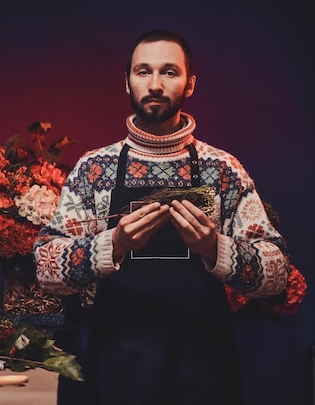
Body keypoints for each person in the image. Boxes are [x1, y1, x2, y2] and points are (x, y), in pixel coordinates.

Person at [34, 29, 290, 405]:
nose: (155, 84)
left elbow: (277, 273)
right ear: (127, 82)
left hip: (203, 370)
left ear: (189, 85)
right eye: (143, 71)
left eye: (169, 72)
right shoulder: (95, 169)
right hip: (118, 365)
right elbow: (45, 267)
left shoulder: (222, 169)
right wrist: (113, 245)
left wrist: (215, 249)